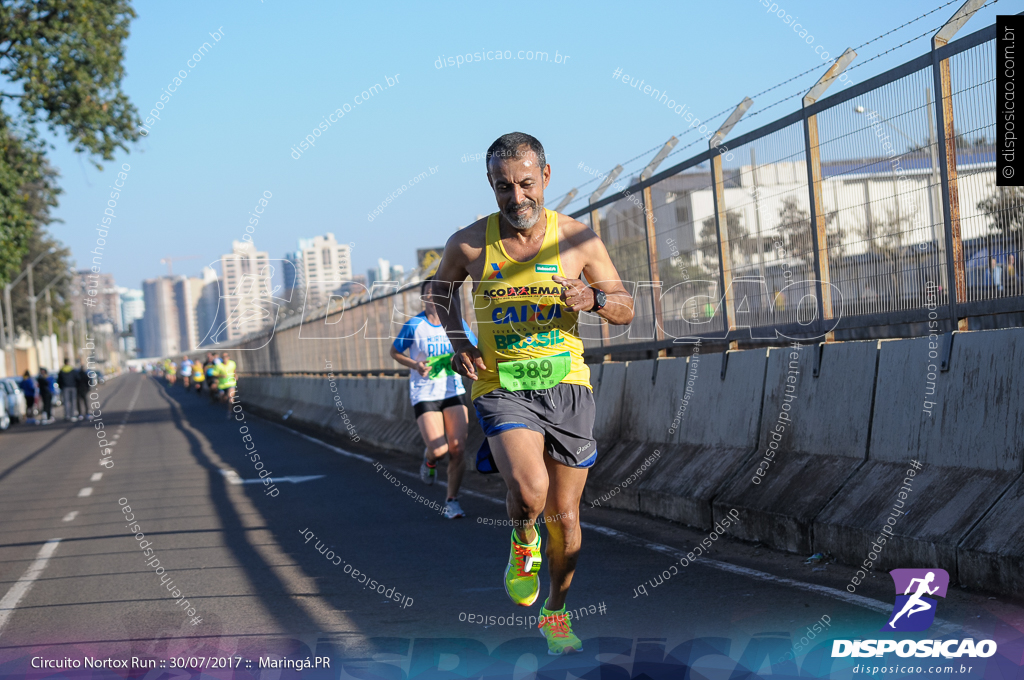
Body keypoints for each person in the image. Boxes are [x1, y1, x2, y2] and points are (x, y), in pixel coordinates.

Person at [431, 132, 634, 654]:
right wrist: (459, 340)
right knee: (529, 491)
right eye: (503, 187)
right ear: (491, 186)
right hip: (502, 385)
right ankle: (524, 541)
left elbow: (624, 307)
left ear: (545, 176)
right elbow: (438, 290)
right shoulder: (470, 241)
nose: (516, 198)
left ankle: (557, 611)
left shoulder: (577, 240)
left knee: (566, 519)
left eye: (525, 183)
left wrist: (592, 299)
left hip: (566, 384)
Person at [389, 277, 478, 519]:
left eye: (436, 292)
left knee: (458, 449)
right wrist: (415, 364)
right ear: (423, 297)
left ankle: (452, 501)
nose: (432, 297)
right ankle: (429, 462)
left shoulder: (456, 324)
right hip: (425, 393)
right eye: (428, 293)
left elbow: (474, 347)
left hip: (453, 390)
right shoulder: (415, 325)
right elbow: (395, 351)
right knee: (439, 450)